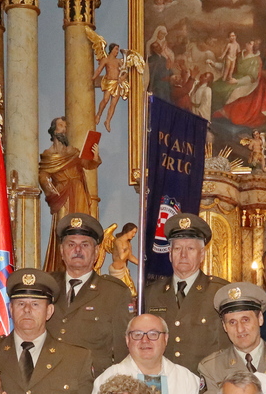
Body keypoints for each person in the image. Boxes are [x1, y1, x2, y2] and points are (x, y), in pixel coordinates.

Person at [47, 213, 135, 375]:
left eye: (85, 245)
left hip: (93, 384)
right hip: (49, 382)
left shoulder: (114, 293)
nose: (77, 250)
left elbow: (123, 350)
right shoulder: (46, 287)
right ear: (61, 251)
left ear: (96, 252)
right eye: (71, 244)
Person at [144, 213, 230, 372]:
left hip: (205, 382)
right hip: (163, 381)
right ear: (170, 254)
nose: (183, 255)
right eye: (177, 248)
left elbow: (229, 348)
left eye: (190, 248)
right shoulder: (152, 293)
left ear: (202, 254)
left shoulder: (220, 292)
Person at [40, 116, 100, 271]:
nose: (64, 130)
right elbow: (43, 176)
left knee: (82, 227)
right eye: (61, 126)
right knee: (63, 228)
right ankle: (59, 268)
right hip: (62, 195)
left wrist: (94, 157)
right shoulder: (48, 155)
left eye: (66, 127)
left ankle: (84, 265)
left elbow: (87, 164)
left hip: (79, 192)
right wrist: (53, 193)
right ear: (53, 130)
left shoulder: (73, 152)